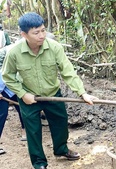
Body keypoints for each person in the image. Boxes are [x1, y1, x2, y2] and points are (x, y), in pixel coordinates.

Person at [2, 12, 99, 169]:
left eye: (43, 30)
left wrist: (82, 93)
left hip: (53, 95)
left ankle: (61, 149)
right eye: (36, 32)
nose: (41, 35)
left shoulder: (54, 48)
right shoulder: (14, 53)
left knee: (60, 124)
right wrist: (23, 94)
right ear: (24, 34)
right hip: (29, 97)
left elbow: (68, 72)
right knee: (33, 132)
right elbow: (8, 76)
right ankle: (39, 163)